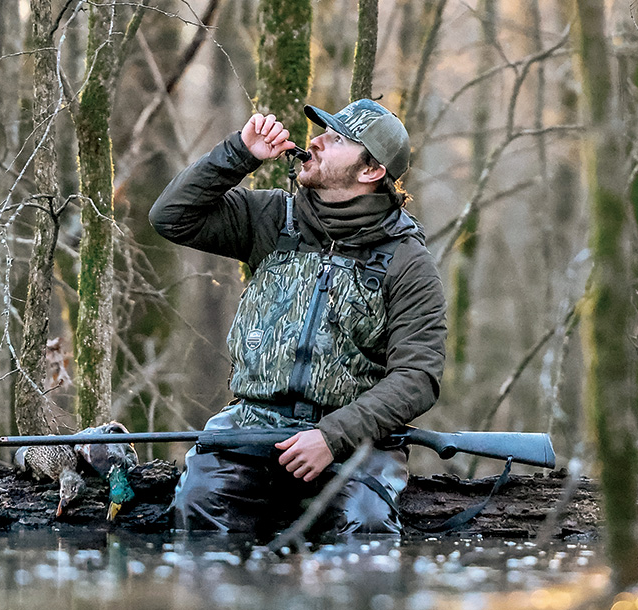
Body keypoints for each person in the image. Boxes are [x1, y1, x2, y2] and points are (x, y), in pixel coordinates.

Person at [148, 99, 447, 537]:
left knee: (362, 532)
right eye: (322, 132)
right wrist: (240, 154)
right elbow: (170, 217)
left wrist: (332, 436)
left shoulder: (408, 261)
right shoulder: (271, 218)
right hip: (251, 424)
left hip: (357, 441)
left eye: (337, 138)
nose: (316, 141)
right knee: (197, 513)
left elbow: (418, 376)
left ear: (370, 171)